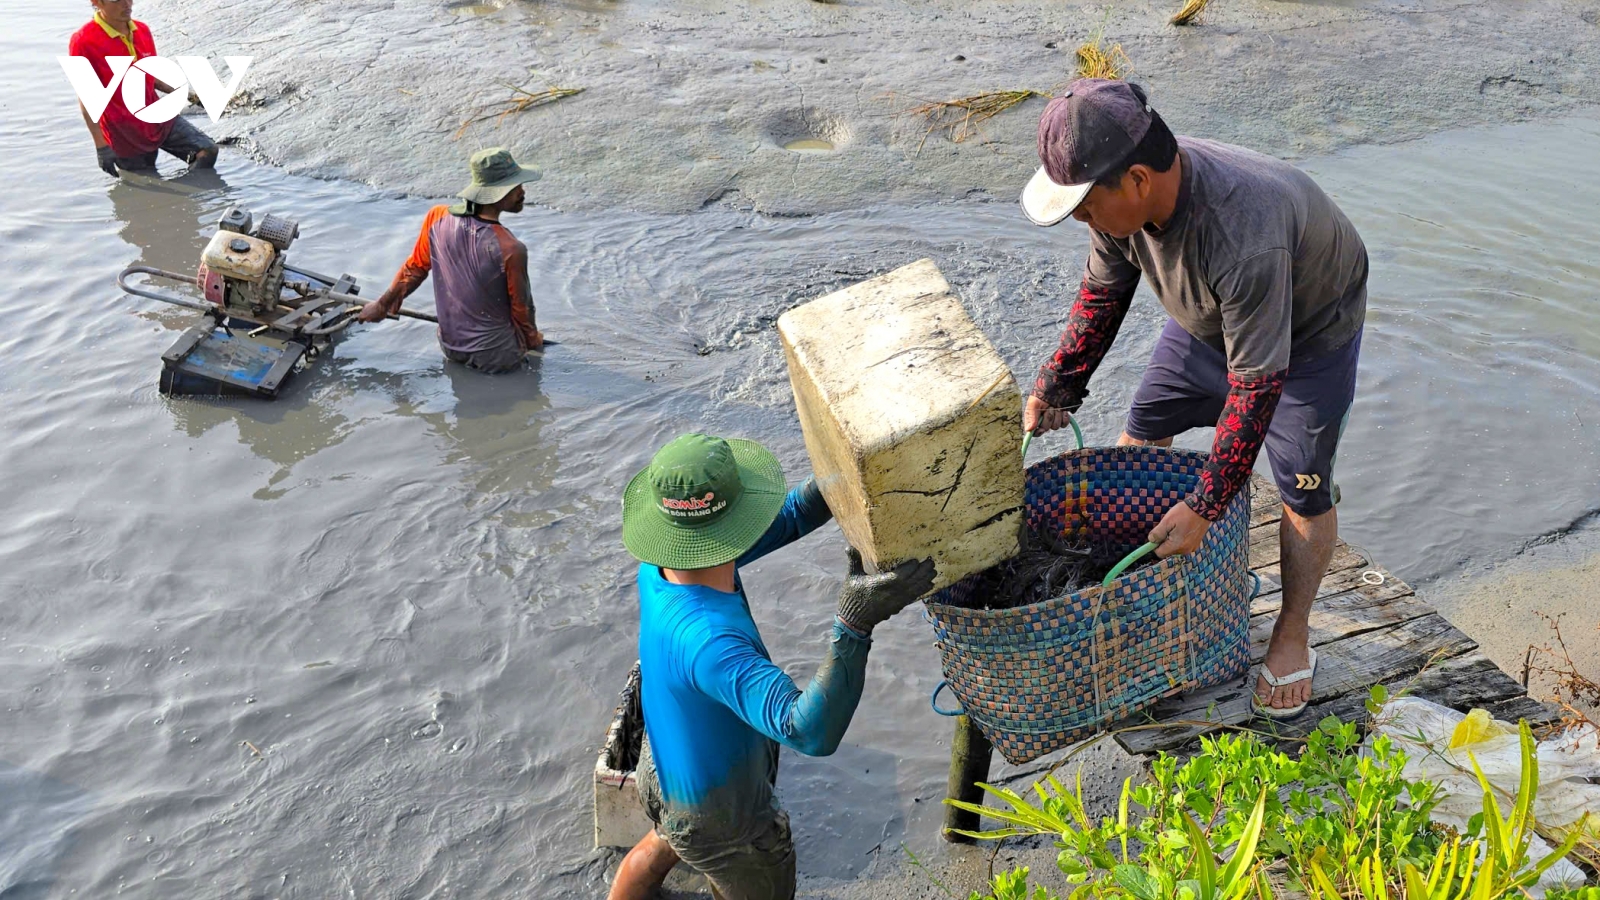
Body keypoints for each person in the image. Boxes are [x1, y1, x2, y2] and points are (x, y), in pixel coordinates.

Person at [1018, 79, 1367, 719]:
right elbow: (1103, 291)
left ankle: (1292, 632)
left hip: (1308, 332)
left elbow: (1257, 388)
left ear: (1139, 181)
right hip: (1210, 316)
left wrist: (1206, 506)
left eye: (1086, 208)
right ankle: (1151, 602)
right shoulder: (1117, 202)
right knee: (1139, 444)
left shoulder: (1244, 232)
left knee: (1302, 491)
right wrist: (1059, 382)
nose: (1083, 223)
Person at [609, 434, 935, 900]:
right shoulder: (712, 642)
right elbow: (808, 731)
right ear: (730, 528)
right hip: (720, 814)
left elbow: (791, 516)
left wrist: (843, 476)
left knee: (669, 838)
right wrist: (854, 623)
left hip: (663, 766)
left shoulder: (660, 564)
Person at [358, 147, 544, 373]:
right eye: (516, 187)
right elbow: (522, 309)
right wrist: (533, 342)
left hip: (450, 347)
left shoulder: (437, 217)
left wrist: (382, 305)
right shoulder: (511, 249)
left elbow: (414, 269)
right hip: (496, 356)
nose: (522, 192)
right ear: (498, 193)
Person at [69, 0, 219, 177]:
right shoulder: (83, 41)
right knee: (146, 181)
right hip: (124, 131)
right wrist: (101, 146)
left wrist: (189, 96)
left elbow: (147, 73)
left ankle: (190, 198)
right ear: (97, 3)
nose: (126, 4)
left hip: (156, 117)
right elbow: (87, 98)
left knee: (207, 150)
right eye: (117, 0)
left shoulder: (142, 30)